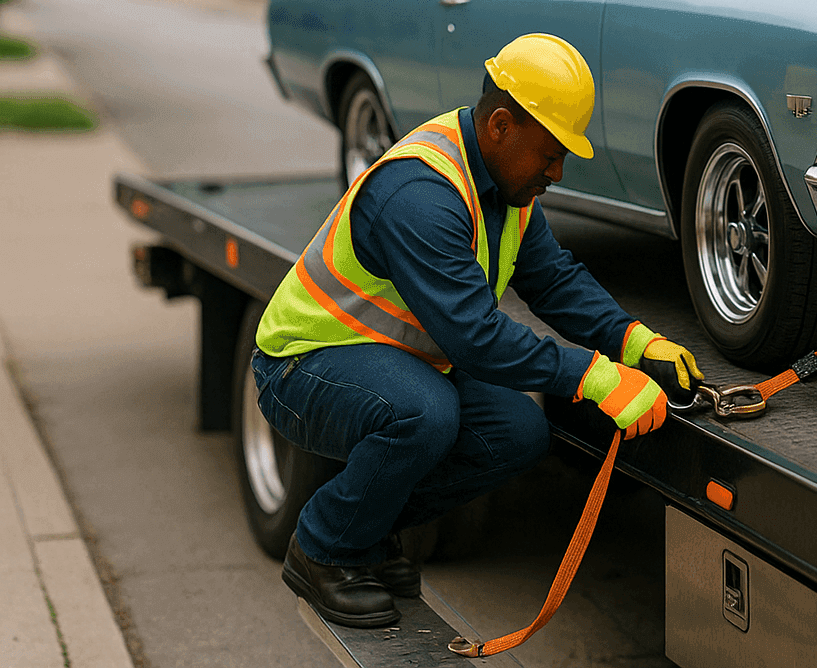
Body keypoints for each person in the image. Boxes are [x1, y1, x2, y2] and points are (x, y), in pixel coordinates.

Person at [250, 33, 705, 627]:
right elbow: (475, 337)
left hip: (386, 361)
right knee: (426, 413)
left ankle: (369, 530)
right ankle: (323, 547)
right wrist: (592, 377)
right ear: (499, 126)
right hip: (301, 364)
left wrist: (635, 341)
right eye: (550, 153)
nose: (558, 171)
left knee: (517, 431)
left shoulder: (505, 185)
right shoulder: (421, 194)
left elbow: (552, 281)